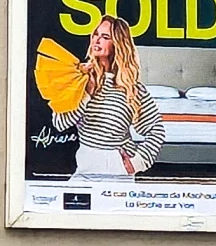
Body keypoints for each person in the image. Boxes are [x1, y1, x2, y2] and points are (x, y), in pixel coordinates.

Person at [51, 17, 163, 178]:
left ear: (118, 43)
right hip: (85, 165)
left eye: (105, 37)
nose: (97, 40)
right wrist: (87, 93)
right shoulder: (79, 76)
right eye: (95, 34)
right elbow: (60, 123)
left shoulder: (132, 88)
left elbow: (156, 129)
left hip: (117, 169)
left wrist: (137, 163)